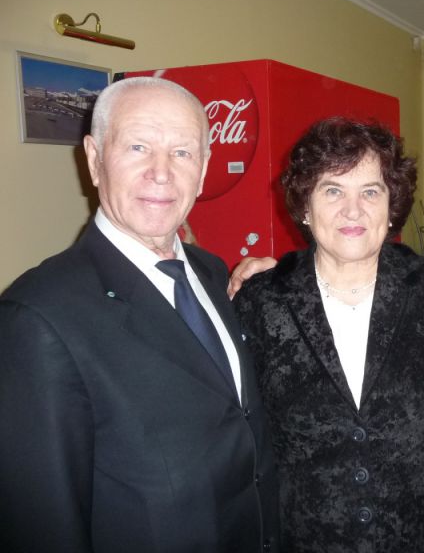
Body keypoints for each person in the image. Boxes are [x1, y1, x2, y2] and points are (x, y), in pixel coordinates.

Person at [0, 77, 280, 552]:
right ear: (94, 160)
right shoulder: (37, 318)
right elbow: (42, 527)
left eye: (182, 152)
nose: (161, 173)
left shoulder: (213, 273)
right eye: (137, 147)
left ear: (204, 169)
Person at [233, 117, 424, 552]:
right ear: (305, 207)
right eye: (333, 191)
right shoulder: (260, 301)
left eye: (370, 191)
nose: (353, 210)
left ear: (391, 206)